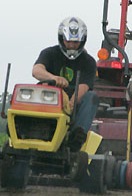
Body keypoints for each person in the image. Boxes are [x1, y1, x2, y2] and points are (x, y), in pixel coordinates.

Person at [32, 16, 99, 151]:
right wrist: (53, 78)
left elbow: (84, 87)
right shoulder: (49, 53)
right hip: (50, 99)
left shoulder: (88, 62)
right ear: (62, 38)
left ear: (82, 41)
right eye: (69, 41)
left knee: (92, 97)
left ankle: (76, 136)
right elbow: (36, 70)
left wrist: (70, 105)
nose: (72, 45)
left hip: (73, 104)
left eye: (76, 42)